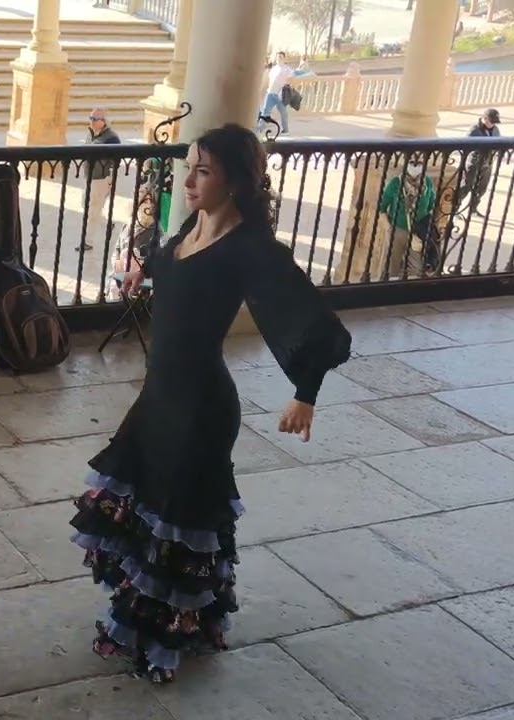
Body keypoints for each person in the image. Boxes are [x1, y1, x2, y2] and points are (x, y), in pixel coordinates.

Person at [69, 123, 352, 685]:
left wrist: (305, 394)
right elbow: (168, 265)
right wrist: (140, 273)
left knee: (181, 521)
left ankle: (158, 639)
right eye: (190, 167)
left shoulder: (250, 247)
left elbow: (309, 318)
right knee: (153, 513)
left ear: (236, 182)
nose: (190, 179)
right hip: (157, 399)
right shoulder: (190, 225)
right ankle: (190, 620)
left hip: (200, 408)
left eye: (204, 171)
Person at [83, 108, 121, 252]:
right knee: (88, 206)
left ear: (103, 121)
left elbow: (116, 161)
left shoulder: (112, 138)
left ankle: (88, 241)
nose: (91, 122)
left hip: (101, 179)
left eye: (94, 119)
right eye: (90, 118)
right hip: (90, 177)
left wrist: (111, 180)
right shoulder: (90, 134)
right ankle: (107, 222)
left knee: (93, 210)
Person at [458, 108, 501, 216]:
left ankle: (473, 208)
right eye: (491, 121)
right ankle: (455, 209)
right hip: (475, 161)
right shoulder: (474, 130)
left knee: (482, 188)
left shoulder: (495, 130)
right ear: (485, 119)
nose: (492, 124)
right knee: (466, 186)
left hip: (488, 162)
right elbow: (466, 147)